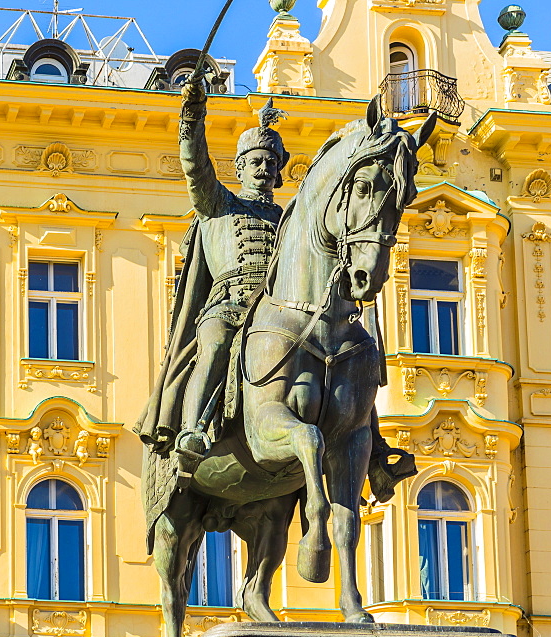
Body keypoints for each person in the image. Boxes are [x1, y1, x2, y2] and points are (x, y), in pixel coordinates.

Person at [136, 76, 416, 499]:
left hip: (285, 312)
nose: (264, 168)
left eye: (271, 161)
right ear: (241, 167)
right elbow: (195, 166)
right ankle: (193, 432)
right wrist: (192, 116)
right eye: (255, 161)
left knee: (351, 356)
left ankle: (373, 452)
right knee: (213, 342)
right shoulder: (219, 204)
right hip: (230, 306)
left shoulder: (292, 218)